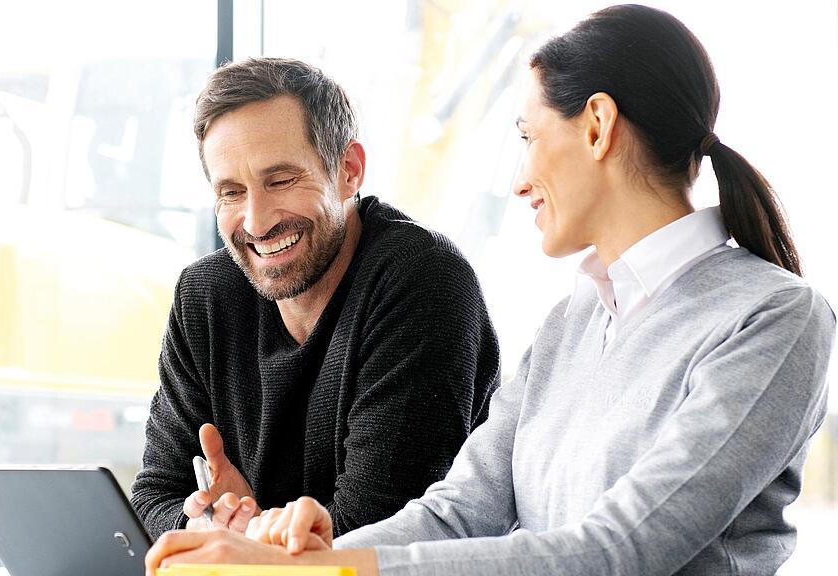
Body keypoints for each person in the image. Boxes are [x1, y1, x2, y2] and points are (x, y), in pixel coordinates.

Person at [143, 5, 836, 575]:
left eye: (529, 137)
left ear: (596, 126)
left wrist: (307, 571)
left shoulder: (772, 319)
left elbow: (624, 550)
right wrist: (282, 560)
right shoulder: (574, 321)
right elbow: (457, 511)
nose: (519, 178)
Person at [130, 57, 500, 540]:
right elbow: (152, 498)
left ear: (349, 170)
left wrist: (248, 535)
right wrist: (213, 523)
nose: (257, 222)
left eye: (280, 180)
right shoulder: (206, 296)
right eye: (231, 192)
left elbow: (378, 532)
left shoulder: (423, 281)